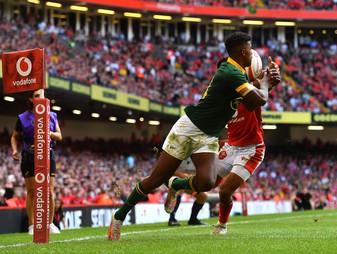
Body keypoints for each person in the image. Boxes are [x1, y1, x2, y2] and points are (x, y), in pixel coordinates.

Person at [108, 31, 280, 240]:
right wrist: (265, 84)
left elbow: (255, 99)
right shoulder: (230, 73)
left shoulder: (238, 73)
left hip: (208, 136)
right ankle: (119, 216)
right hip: (188, 129)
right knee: (156, 178)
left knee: (207, 183)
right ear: (243, 51)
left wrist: (267, 81)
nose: (253, 53)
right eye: (251, 48)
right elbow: (257, 100)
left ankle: (176, 185)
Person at [211, 57, 279, 235]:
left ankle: (221, 225)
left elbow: (267, 83)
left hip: (252, 149)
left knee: (225, 190)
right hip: (231, 147)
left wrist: (271, 73)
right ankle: (173, 182)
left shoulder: (248, 88)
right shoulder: (218, 96)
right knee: (203, 183)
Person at [11, 89, 63, 235]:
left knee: (50, 190)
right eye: (36, 96)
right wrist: (15, 150)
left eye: (42, 95)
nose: (40, 98)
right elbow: (15, 136)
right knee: (32, 191)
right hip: (29, 154)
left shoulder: (52, 116)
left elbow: (59, 136)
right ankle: (32, 225)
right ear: (31, 99)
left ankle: (51, 223)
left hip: (48, 153)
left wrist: (50, 133)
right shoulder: (23, 118)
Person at [168, 158, 208, 226]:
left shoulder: (199, 156)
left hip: (187, 181)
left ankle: (193, 219)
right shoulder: (179, 154)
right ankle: (172, 219)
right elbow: (170, 169)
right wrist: (182, 176)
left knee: (203, 196)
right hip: (172, 179)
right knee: (180, 188)